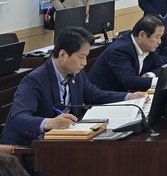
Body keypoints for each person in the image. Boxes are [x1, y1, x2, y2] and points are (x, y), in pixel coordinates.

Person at [0, 27, 146, 148]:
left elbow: (94, 94)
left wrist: (129, 97)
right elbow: (18, 118)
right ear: (63, 55)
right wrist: (49, 123)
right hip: (26, 150)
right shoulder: (34, 80)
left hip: (62, 141)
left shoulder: (76, 73)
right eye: (81, 57)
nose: (85, 63)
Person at [88, 15, 166, 92]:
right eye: (157, 37)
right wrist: (159, 82)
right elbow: (129, 81)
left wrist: (148, 75)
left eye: (160, 37)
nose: (159, 42)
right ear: (142, 35)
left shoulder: (146, 45)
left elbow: (160, 67)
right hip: (104, 96)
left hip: (125, 94)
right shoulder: (120, 50)